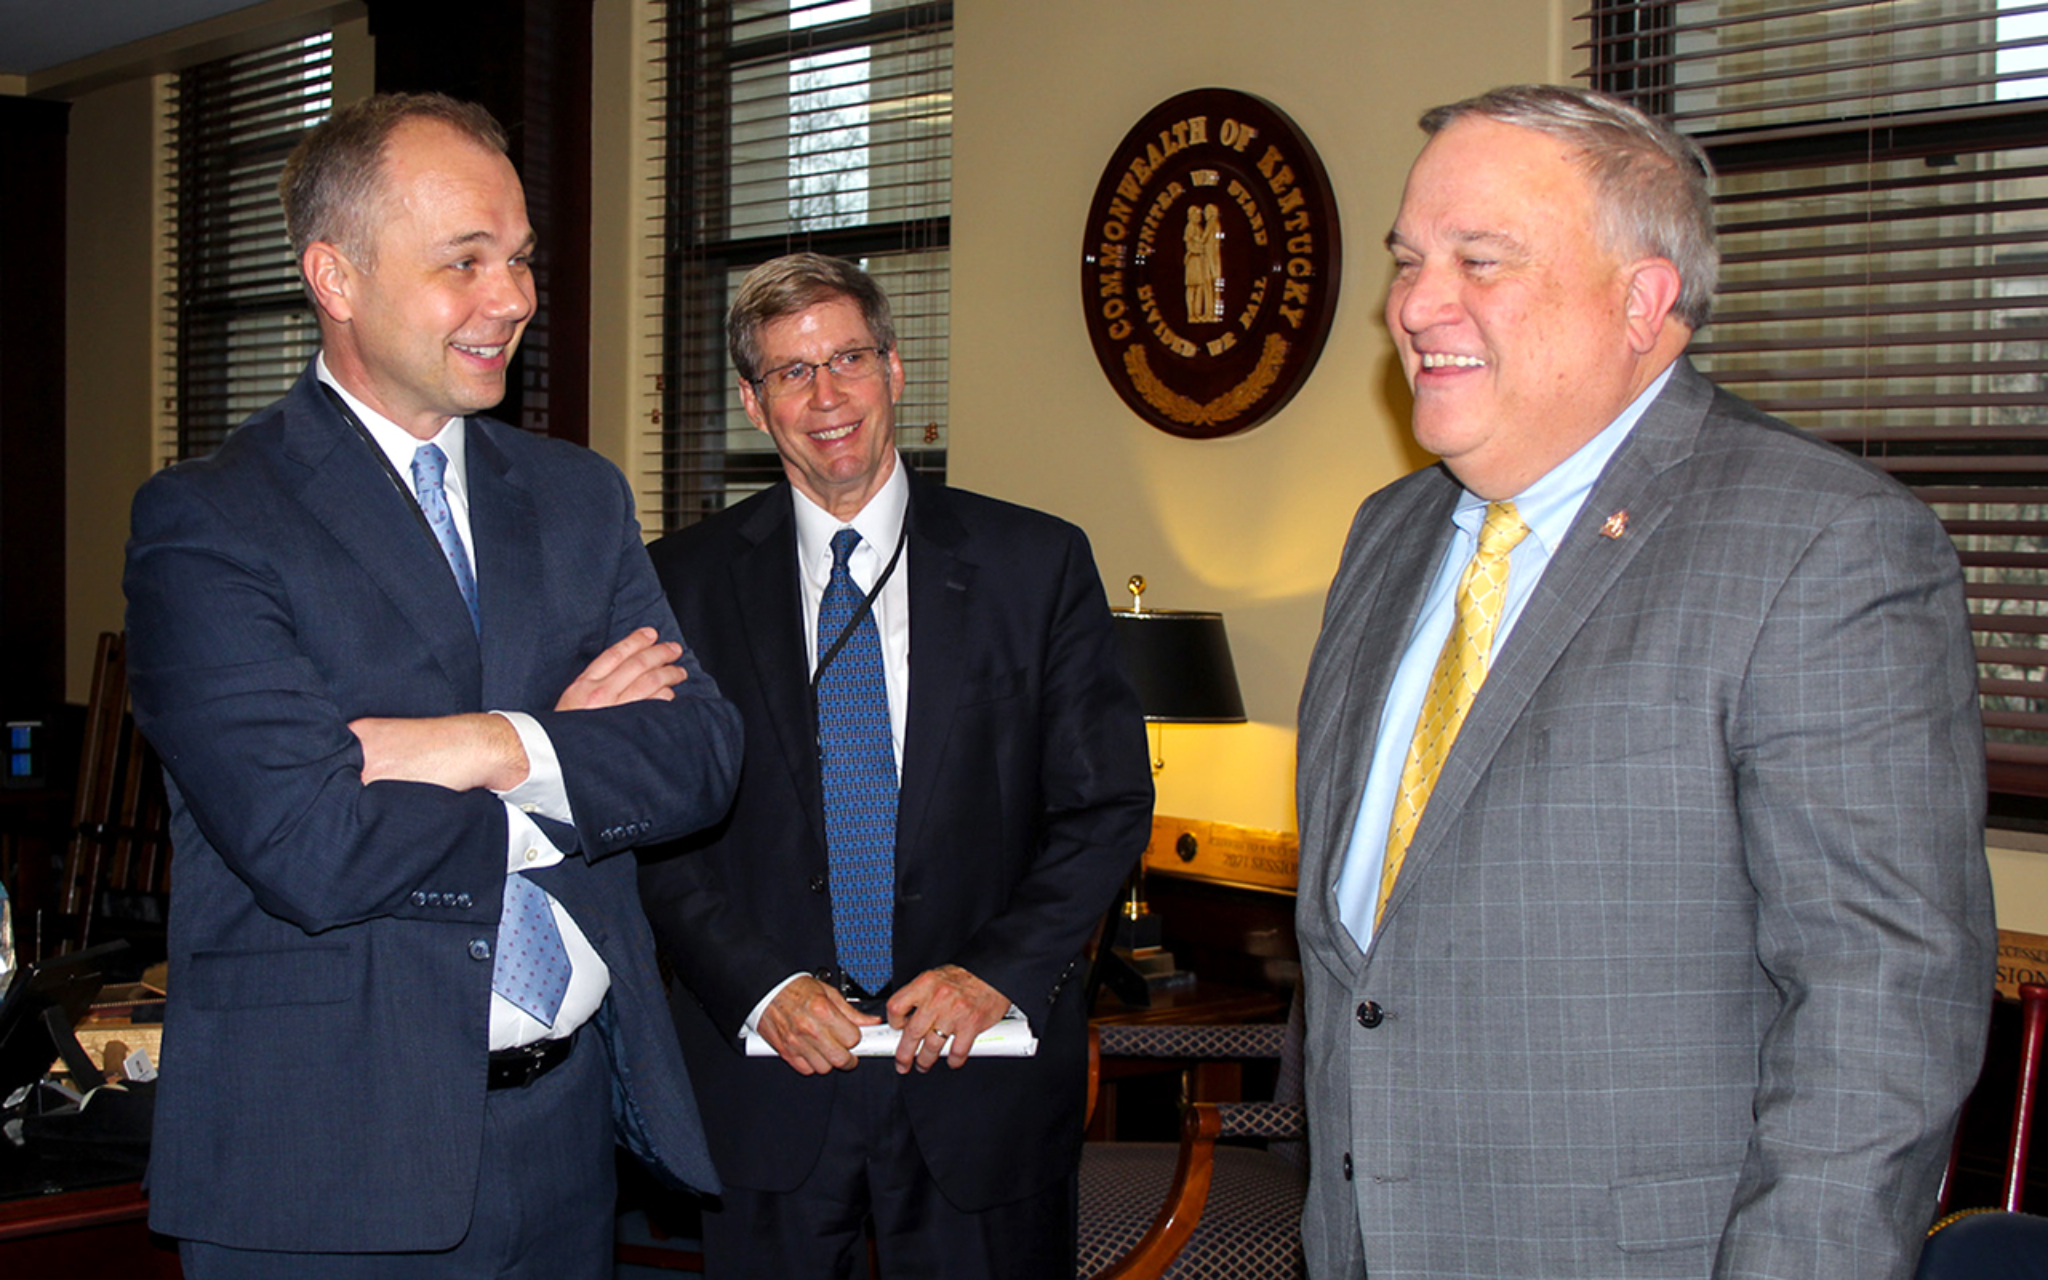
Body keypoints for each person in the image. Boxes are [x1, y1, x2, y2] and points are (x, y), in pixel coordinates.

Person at [1294, 84, 1997, 1279]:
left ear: (1640, 300)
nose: (1411, 304)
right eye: (1408, 260)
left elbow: (1880, 1007)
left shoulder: (1820, 543)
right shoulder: (1387, 533)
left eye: (1479, 260)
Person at [123, 93, 741, 1278]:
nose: (512, 298)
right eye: (465, 261)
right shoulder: (208, 520)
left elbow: (702, 755)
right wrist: (570, 758)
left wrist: (493, 744)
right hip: (326, 1167)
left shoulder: (577, 496)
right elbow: (307, 840)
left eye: (519, 258)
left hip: (567, 1144)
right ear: (335, 276)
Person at [638, 252, 1153, 1278]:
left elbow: (1103, 806)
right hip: (768, 1077)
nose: (826, 396)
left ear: (894, 370)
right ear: (753, 401)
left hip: (979, 1074)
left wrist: (995, 974)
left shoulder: (1034, 565)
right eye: (791, 372)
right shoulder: (674, 585)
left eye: (848, 359)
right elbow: (652, 827)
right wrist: (758, 985)